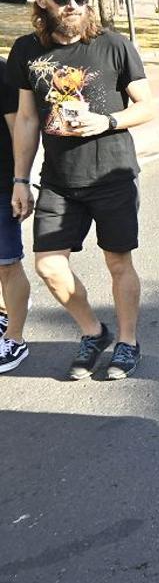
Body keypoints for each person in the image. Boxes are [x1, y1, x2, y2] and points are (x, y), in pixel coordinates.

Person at [7, 0, 155, 379]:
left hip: (111, 174)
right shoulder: (26, 51)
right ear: (42, 1)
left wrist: (106, 121)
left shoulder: (113, 45)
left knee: (118, 262)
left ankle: (127, 341)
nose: (73, 5)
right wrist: (21, 180)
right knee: (48, 266)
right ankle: (93, 331)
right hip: (58, 180)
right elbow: (27, 119)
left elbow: (147, 105)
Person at [0, 57, 31, 374]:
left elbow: (17, 130)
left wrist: (20, 182)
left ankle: (15, 338)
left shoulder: (2, 73)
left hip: (0, 185)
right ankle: (3, 311)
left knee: (7, 263)